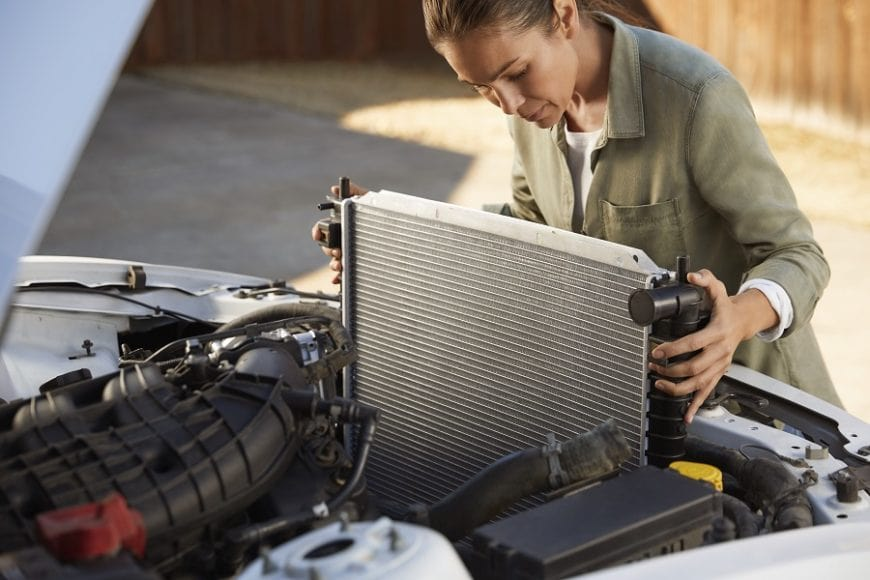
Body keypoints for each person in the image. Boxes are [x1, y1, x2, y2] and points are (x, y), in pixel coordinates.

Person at [313, 0, 841, 423]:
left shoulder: (696, 96)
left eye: (516, 73)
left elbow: (797, 254)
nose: (508, 105)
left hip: (769, 414)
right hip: (645, 406)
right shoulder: (529, 107)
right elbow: (532, 229)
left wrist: (737, 320)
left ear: (562, 15)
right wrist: (394, 234)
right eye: (481, 88)